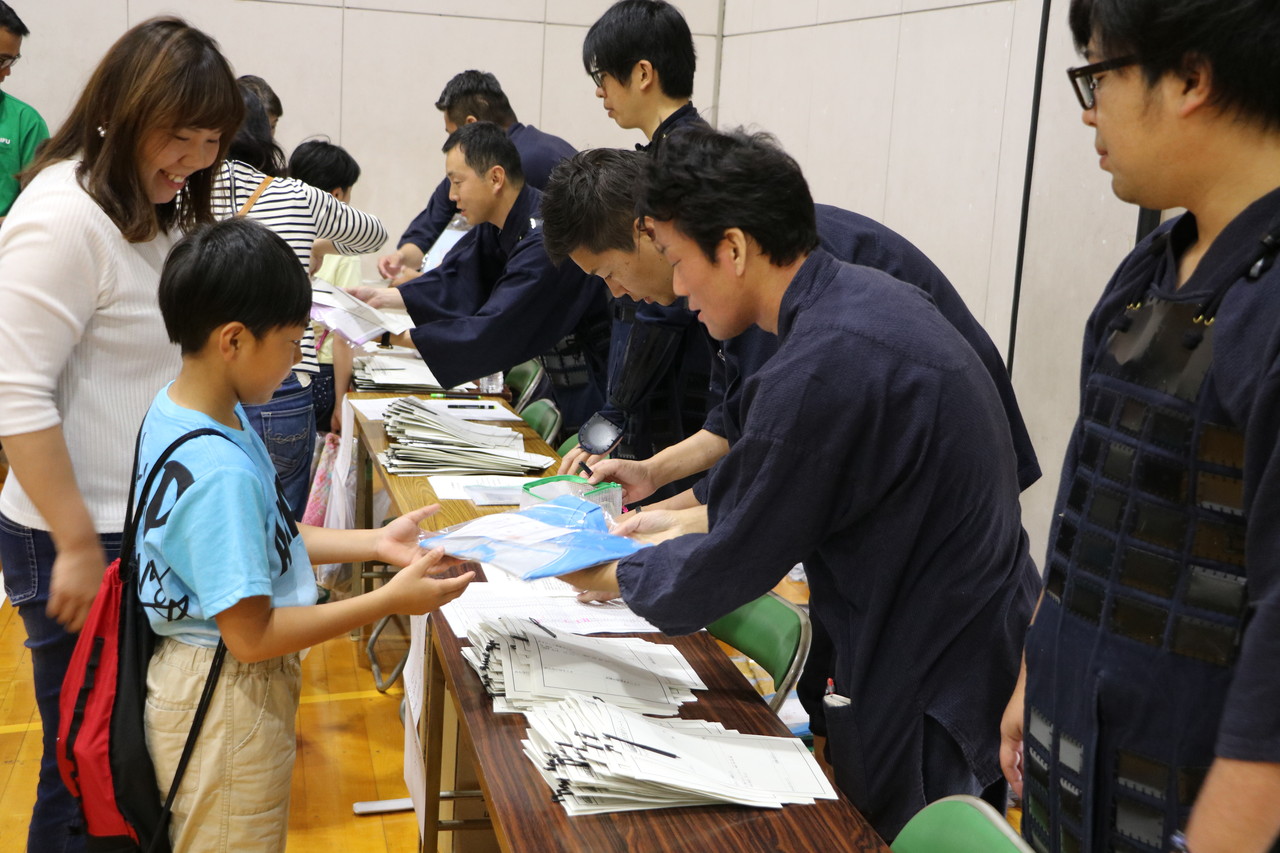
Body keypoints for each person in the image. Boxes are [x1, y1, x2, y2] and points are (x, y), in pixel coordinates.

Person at [560, 128, 1039, 841]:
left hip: (932, 658)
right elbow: (765, 476)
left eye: (679, 261)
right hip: (940, 622)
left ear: (733, 248)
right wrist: (660, 517)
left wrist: (610, 572)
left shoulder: (819, 364)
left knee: (891, 826)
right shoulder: (847, 303)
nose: (678, 288)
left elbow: (734, 556)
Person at [999, 2, 1280, 851]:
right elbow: (1089, 506)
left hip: (1199, 795)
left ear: (1191, 79)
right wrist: (1030, 676)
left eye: (1099, 75)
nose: (1088, 110)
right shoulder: (1147, 272)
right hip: (1076, 754)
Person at [140, 216, 473, 852]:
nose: (301, 358)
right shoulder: (218, 469)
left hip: (203, 681)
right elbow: (252, 635)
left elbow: (264, 533)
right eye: (293, 342)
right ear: (233, 340)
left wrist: (373, 545)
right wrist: (386, 601)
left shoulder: (186, 410)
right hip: (224, 699)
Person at [0, 18, 243, 853]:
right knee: (84, 772)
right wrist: (71, 541)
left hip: (139, 531)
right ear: (121, 112)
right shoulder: (63, 214)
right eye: (178, 136)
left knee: (126, 766)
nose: (193, 158)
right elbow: (15, 390)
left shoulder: (150, 209)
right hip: (80, 536)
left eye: (209, 140)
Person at [542, 146, 1041, 502]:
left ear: (649, 231)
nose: (618, 294)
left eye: (609, 273)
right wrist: (652, 474)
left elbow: (766, 468)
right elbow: (733, 418)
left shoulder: (779, 280)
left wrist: (636, 548)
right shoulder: (732, 278)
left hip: (941, 466)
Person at [353, 122, 610, 435]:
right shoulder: (500, 222)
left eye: (457, 182)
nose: (451, 195)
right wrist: (385, 298)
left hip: (593, 368)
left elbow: (494, 326)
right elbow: (457, 277)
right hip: (559, 363)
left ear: (496, 178)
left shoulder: (545, 236)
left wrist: (384, 333)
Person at [212, 85, 387, 515]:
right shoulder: (295, 195)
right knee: (282, 530)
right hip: (283, 383)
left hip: (206, 383)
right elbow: (373, 234)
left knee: (216, 516)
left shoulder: (182, 195)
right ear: (263, 134)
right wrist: (316, 243)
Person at [577, 0, 717, 502]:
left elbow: (662, 309)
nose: (599, 91)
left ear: (641, 73)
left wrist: (614, 410)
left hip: (688, 388)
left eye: (602, 76)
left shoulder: (688, 163)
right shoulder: (667, 154)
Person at [377, 70, 575, 282]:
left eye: (451, 134)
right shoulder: (481, 164)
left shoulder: (522, 164)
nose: (454, 194)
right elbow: (436, 215)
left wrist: (426, 284)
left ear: (496, 178)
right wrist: (402, 257)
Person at [288, 138, 365, 433]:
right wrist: (341, 403)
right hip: (324, 375)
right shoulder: (342, 247)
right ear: (336, 195)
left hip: (280, 372)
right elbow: (343, 333)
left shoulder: (279, 232)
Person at [0, 1, 47, 223]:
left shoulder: (26, 122)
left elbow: (38, 210)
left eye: (12, 60)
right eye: (1, 60)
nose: (7, 71)